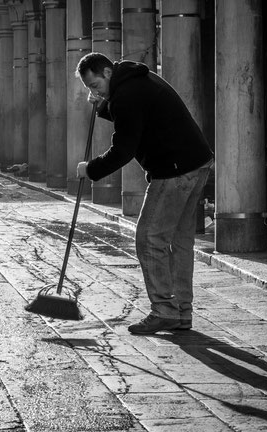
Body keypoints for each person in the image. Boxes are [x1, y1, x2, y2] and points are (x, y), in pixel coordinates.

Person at [75, 52, 214, 335]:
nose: (94, 91)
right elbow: (134, 118)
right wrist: (103, 105)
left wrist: (91, 170)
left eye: (95, 85)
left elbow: (124, 148)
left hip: (175, 170)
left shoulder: (126, 94)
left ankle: (164, 310)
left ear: (107, 72)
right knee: (179, 241)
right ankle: (181, 313)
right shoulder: (134, 80)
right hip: (196, 162)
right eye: (89, 88)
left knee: (149, 238)